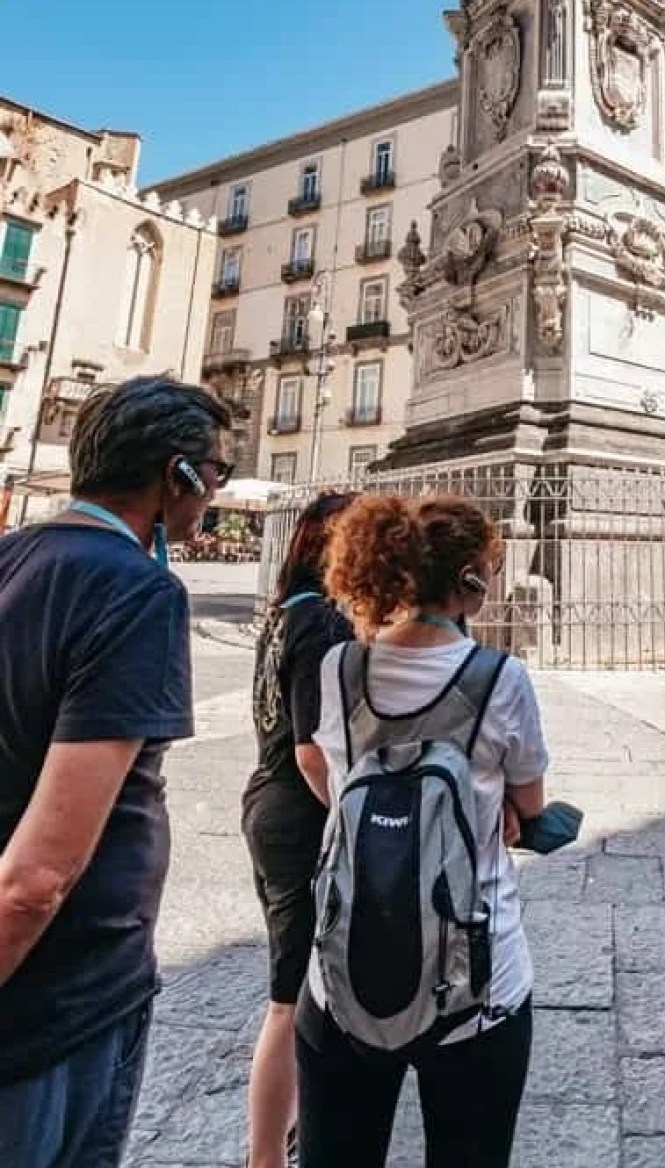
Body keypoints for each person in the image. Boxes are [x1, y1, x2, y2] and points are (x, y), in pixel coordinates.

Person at [0, 374, 232, 1168]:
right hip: (60, 1000)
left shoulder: (10, 558)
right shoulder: (137, 591)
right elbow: (35, 878)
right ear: (176, 476)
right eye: (215, 475)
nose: (213, 499)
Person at [294, 492, 549, 1168]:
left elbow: (329, 779)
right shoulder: (502, 679)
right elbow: (531, 800)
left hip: (341, 980)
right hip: (480, 987)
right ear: (470, 577)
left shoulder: (340, 667)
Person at [242, 493, 356, 1168]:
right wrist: (353, 814)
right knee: (288, 998)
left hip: (268, 801)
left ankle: (289, 1132)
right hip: (299, 810)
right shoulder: (322, 624)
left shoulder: (285, 613)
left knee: (304, 984)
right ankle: (265, 1156)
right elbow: (313, 749)